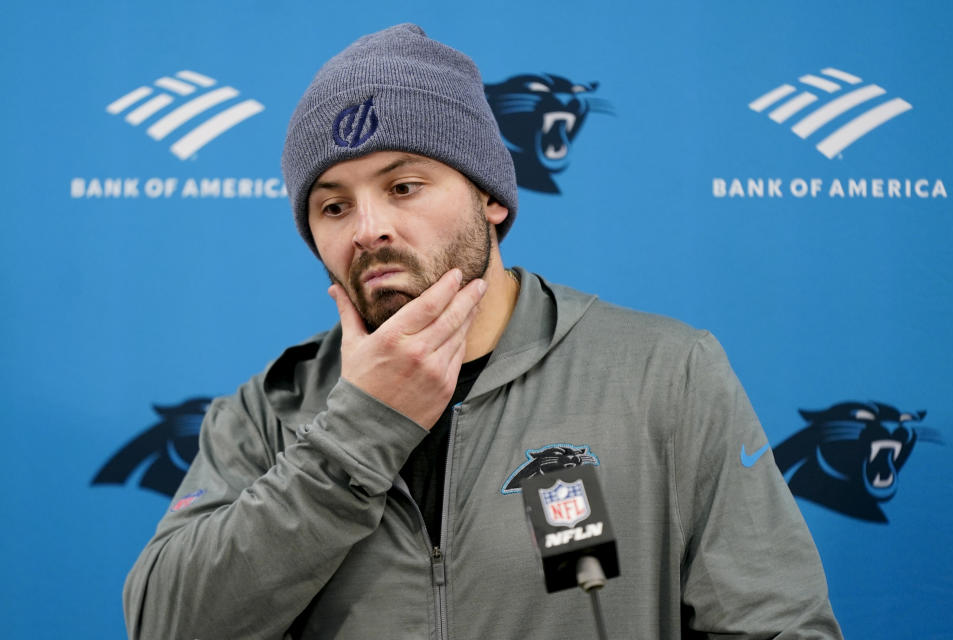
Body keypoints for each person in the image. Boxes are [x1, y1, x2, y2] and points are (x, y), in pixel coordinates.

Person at [123, 23, 843, 639]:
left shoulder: (662, 372)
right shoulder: (266, 412)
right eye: (333, 206)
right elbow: (165, 623)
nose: (369, 227)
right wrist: (357, 431)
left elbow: (777, 624)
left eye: (404, 187)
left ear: (490, 198)